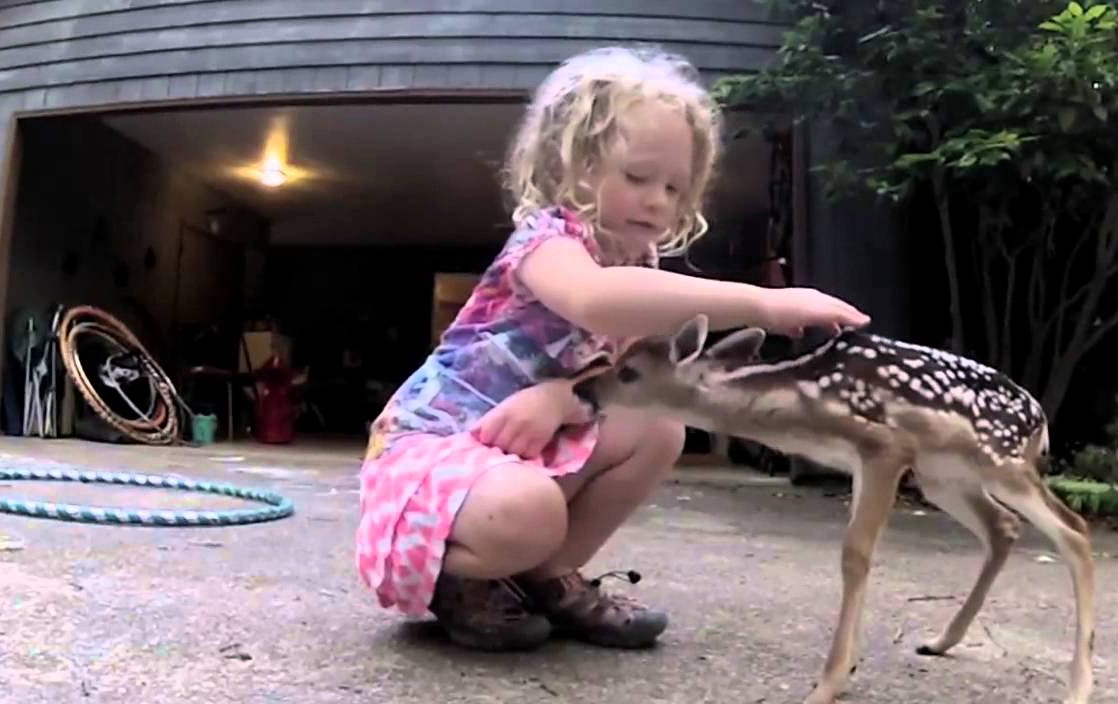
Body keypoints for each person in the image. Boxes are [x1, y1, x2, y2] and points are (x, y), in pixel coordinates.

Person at [355, 45, 870, 652]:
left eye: (676, 187)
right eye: (637, 177)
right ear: (572, 166)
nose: (658, 201)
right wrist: (764, 303)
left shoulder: (637, 262)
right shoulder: (546, 241)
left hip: (514, 449)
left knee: (657, 425)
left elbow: (620, 373)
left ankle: (543, 577)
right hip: (434, 451)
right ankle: (459, 581)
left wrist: (557, 395)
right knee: (530, 512)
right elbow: (594, 300)